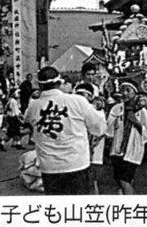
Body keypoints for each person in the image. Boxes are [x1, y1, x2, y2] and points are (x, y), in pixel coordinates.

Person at [24, 66, 106, 195]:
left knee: (57, 207)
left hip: (49, 167)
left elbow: (27, 119)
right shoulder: (77, 101)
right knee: (78, 208)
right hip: (77, 163)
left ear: (39, 85)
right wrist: (99, 109)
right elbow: (99, 128)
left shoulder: (34, 105)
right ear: (59, 82)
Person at [106, 80, 147, 195]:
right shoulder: (117, 109)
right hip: (117, 150)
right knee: (121, 181)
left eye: (128, 90)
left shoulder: (142, 111)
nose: (125, 94)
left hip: (132, 150)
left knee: (124, 180)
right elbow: (108, 127)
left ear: (135, 93)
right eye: (123, 91)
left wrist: (135, 121)